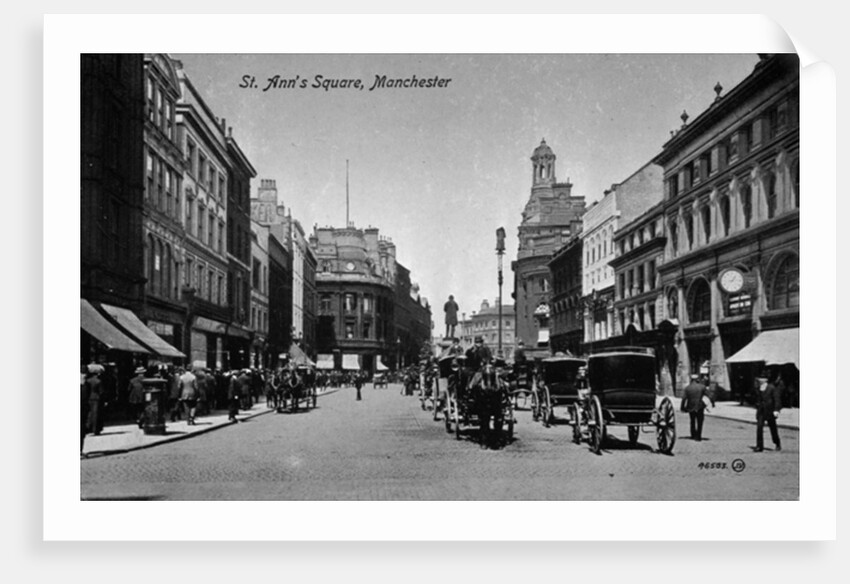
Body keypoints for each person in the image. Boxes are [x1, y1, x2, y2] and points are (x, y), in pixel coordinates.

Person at [753, 375, 783, 452]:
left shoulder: (771, 388)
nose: (759, 380)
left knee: (773, 428)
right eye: (759, 379)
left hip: (770, 411)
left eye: (761, 379)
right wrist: (757, 405)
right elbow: (757, 399)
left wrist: (776, 410)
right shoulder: (758, 388)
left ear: (765, 380)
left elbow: (777, 399)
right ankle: (759, 446)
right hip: (761, 411)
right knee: (759, 428)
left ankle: (777, 443)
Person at [681, 374, 713, 441]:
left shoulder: (687, 388)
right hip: (699, 406)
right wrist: (712, 403)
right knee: (700, 421)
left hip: (690, 406)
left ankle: (693, 435)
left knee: (692, 421)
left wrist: (682, 407)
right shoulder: (702, 387)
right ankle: (698, 436)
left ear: (691, 380)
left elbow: (684, 398)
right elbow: (710, 396)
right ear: (698, 379)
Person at [85, 364, 105, 435]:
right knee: (97, 414)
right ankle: (96, 429)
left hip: (89, 398)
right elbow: (101, 392)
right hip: (97, 398)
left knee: (90, 413)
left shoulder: (87, 381)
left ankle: (89, 427)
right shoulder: (98, 381)